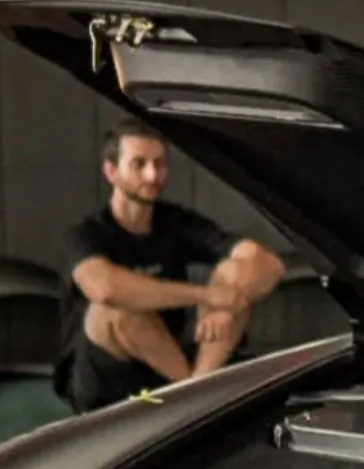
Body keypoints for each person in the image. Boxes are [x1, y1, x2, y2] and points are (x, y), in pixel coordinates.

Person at [56, 119, 286, 414]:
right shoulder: (84, 234)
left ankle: (196, 389)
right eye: (139, 164)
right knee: (113, 310)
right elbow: (105, 289)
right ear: (111, 171)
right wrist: (208, 296)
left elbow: (267, 262)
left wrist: (226, 301)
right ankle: (196, 393)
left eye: (159, 164)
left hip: (167, 369)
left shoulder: (176, 222)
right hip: (108, 383)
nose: (152, 175)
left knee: (236, 277)